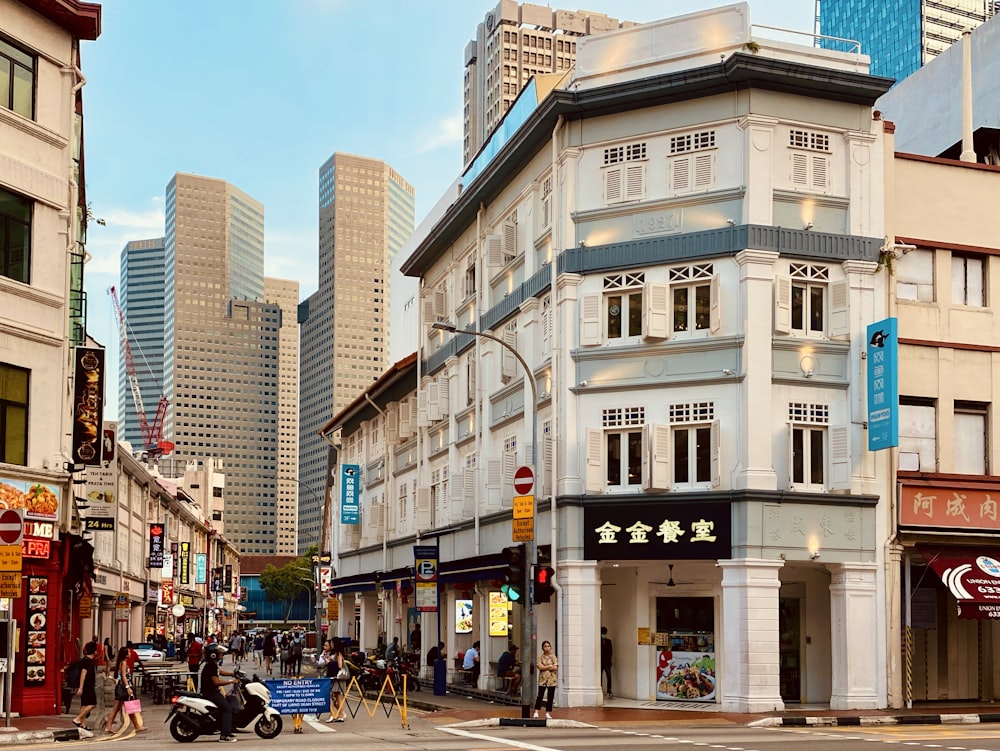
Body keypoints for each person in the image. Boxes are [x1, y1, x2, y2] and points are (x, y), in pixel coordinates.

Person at [104, 647, 147, 733]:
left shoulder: (122, 662)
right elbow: (123, 676)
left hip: (122, 687)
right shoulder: (123, 663)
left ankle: (136, 726)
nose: (130, 654)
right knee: (124, 707)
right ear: (126, 655)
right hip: (123, 687)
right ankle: (109, 726)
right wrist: (128, 687)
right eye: (129, 653)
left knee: (124, 707)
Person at [201, 644, 238, 743]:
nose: (221, 655)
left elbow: (219, 672)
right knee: (227, 708)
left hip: (213, 692)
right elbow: (216, 682)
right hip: (210, 693)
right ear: (213, 655)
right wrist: (231, 682)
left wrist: (232, 674)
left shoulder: (212, 665)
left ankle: (227, 729)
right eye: (220, 653)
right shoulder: (211, 666)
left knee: (227, 704)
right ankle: (224, 735)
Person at [72, 641, 98, 730]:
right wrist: (81, 688)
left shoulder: (84, 660)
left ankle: (83, 725)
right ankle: (78, 718)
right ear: (94, 651)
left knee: (84, 704)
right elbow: (83, 674)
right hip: (87, 686)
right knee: (93, 703)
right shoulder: (88, 661)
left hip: (85, 685)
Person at [532, 640, 558, 719]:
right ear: (543, 648)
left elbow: (555, 667)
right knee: (540, 696)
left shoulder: (553, 657)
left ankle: (548, 712)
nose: (547, 648)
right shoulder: (540, 657)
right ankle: (536, 711)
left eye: (548, 646)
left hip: (552, 680)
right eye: (545, 646)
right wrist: (549, 666)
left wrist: (546, 667)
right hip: (542, 679)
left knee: (550, 697)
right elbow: (540, 667)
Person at [324, 637, 347, 724]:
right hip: (335, 677)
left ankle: (333, 715)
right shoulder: (335, 653)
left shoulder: (338, 653)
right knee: (337, 696)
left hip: (337, 677)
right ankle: (340, 715)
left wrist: (330, 662)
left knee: (331, 695)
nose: (331, 645)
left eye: (332, 643)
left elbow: (340, 665)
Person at [600, 626, 614, 697]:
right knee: (600, 677)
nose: (604, 634)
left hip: (607, 662)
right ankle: (600, 690)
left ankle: (609, 690)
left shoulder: (609, 641)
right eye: (603, 633)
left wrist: (610, 661)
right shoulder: (598, 641)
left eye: (605, 633)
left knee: (609, 676)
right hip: (600, 662)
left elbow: (611, 652)